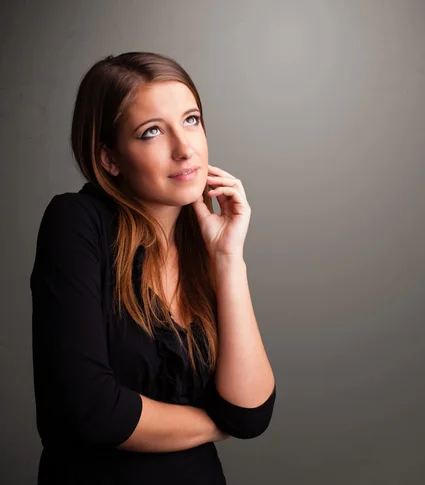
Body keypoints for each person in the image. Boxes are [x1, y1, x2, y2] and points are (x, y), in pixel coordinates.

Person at [30, 52, 276, 484]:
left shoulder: (204, 240)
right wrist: (217, 424)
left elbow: (251, 411)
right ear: (109, 158)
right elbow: (92, 409)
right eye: (152, 132)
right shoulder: (76, 223)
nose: (184, 149)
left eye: (191, 120)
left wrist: (228, 258)